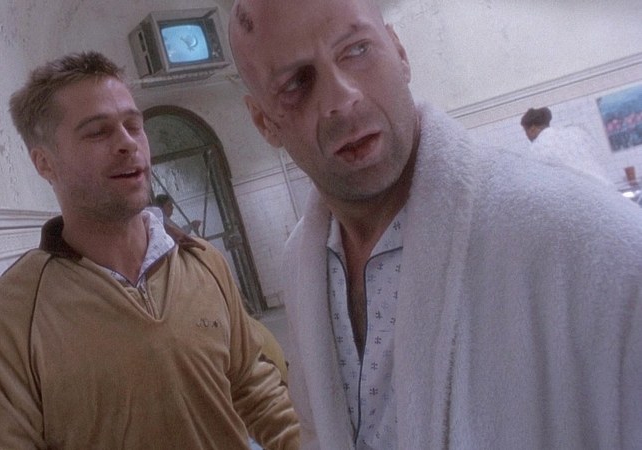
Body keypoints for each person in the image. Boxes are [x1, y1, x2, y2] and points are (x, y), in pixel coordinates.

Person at [228, 0, 642, 448]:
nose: (342, 99)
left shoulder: (591, 245)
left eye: (357, 49)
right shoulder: (302, 266)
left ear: (400, 52)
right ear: (263, 122)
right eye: (296, 82)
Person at [0, 51, 299, 449]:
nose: (128, 144)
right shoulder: (2, 324)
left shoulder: (203, 262)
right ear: (44, 163)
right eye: (98, 132)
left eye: (133, 125)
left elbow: (254, 387)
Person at [521, 106, 614, 185]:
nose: (526, 135)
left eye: (525, 131)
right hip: (605, 186)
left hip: (582, 192)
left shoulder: (536, 148)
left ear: (532, 128)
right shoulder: (573, 133)